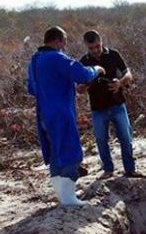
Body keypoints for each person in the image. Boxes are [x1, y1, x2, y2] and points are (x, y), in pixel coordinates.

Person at [27, 26, 105, 206]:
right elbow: (82, 74)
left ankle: (63, 196)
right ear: (57, 41)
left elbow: (31, 89)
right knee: (71, 153)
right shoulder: (57, 57)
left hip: (44, 114)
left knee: (56, 153)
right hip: (60, 113)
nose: (64, 46)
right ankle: (69, 199)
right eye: (64, 42)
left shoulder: (35, 60)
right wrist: (97, 69)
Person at [78, 30, 145, 179]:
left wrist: (120, 83)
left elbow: (128, 74)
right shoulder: (83, 62)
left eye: (97, 46)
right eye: (91, 48)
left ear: (101, 41)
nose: (95, 50)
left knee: (125, 138)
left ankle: (130, 169)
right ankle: (108, 169)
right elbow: (79, 88)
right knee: (101, 139)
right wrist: (84, 86)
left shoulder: (113, 54)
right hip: (97, 108)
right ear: (86, 47)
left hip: (117, 104)